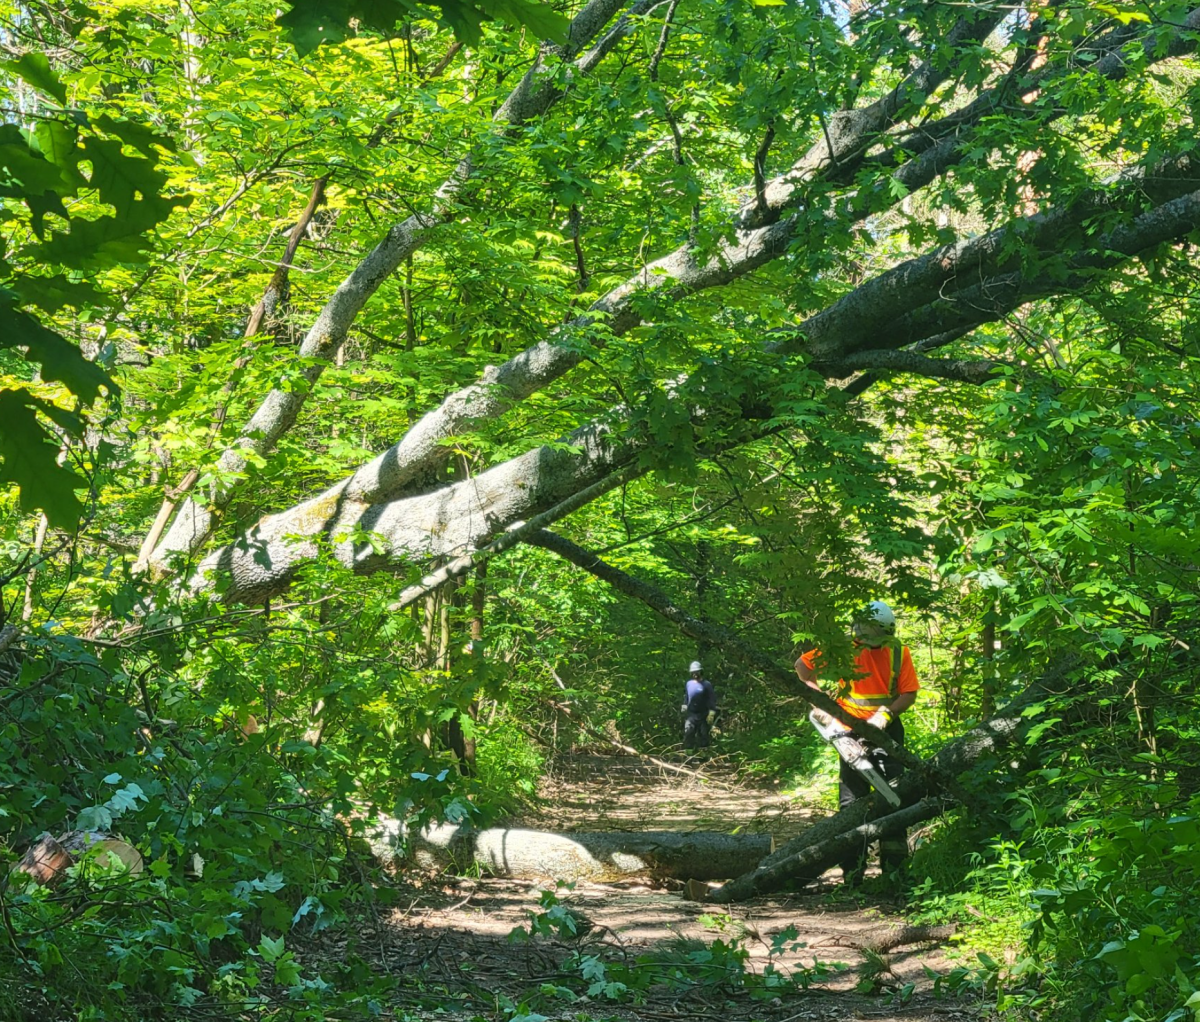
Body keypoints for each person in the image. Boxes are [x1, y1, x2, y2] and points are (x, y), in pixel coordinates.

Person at [794, 600, 919, 887]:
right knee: (852, 799)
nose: (870, 644)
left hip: (885, 729)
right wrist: (821, 704)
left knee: (894, 794)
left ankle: (895, 871)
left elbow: (908, 692)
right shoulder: (843, 648)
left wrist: (885, 715)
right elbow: (802, 667)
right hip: (846, 728)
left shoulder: (898, 651)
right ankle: (853, 871)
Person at [681, 661, 717, 750]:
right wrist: (685, 705)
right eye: (693, 672)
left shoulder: (706, 684)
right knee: (688, 734)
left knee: (704, 736)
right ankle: (688, 758)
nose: (695, 674)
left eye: (697, 672)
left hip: (703, 715)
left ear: (701, 672)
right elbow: (687, 696)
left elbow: (712, 698)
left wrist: (711, 712)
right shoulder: (689, 684)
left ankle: (703, 759)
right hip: (691, 715)